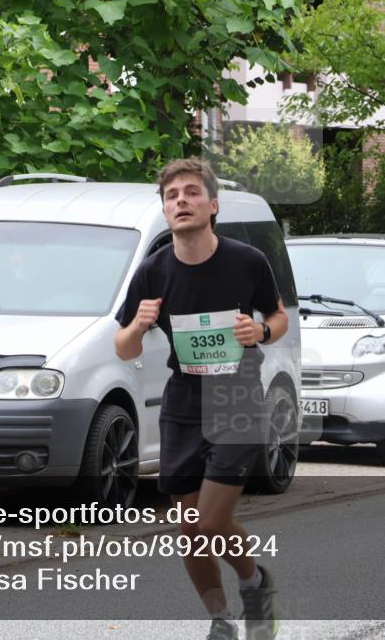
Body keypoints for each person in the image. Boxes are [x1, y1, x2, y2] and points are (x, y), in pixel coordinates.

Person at [114, 157, 288, 640]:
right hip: (183, 400)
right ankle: (222, 619)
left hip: (236, 396)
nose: (181, 201)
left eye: (191, 193)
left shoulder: (246, 261)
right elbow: (123, 346)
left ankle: (253, 583)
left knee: (209, 523)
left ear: (213, 205)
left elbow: (279, 317)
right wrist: (138, 324)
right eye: (172, 196)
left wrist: (261, 330)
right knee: (189, 529)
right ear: (164, 210)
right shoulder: (153, 271)